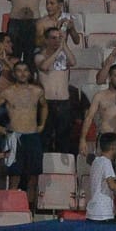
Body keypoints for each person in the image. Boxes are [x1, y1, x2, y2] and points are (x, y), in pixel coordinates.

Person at [2, 59, 47, 209]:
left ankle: (29, 210)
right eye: (19, 71)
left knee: (33, 177)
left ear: (29, 73)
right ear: (14, 74)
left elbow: (44, 106)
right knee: (14, 176)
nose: (22, 73)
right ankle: (11, 209)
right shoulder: (7, 92)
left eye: (25, 70)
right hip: (15, 137)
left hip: (32, 136)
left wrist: (42, 124)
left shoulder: (37, 91)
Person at [81, 64, 116, 182]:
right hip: (106, 140)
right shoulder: (100, 96)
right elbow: (89, 117)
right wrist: (82, 139)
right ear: (110, 77)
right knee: (103, 178)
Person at [35, 25, 76, 154]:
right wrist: (58, 50)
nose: (56, 41)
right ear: (46, 40)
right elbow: (45, 67)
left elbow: (73, 62)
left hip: (64, 102)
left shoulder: (63, 56)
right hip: (47, 102)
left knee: (63, 137)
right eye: (53, 38)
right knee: (45, 137)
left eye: (59, 38)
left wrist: (64, 46)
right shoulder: (39, 56)